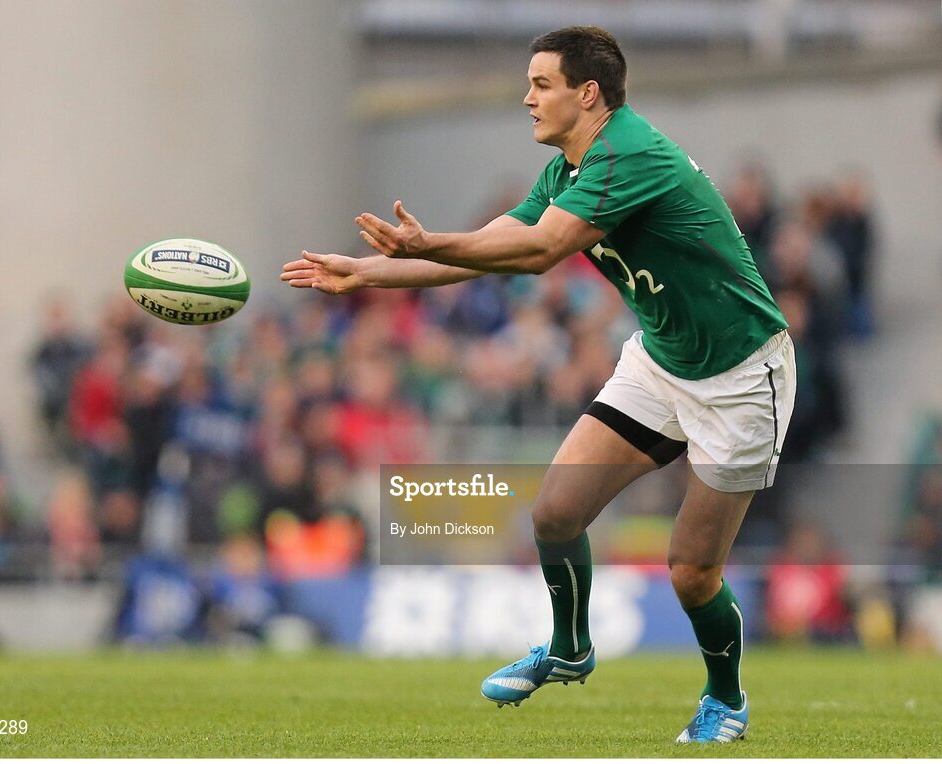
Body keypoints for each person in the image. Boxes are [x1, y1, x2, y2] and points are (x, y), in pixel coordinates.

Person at [281, 25, 795, 744]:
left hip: (740, 376)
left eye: (541, 84)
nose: (527, 98)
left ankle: (726, 699)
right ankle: (570, 648)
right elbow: (495, 247)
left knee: (690, 572)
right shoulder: (571, 169)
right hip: (663, 361)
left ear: (588, 94)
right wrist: (367, 274)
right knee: (554, 514)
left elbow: (540, 251)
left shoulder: (627, 153)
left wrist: (428, 242)